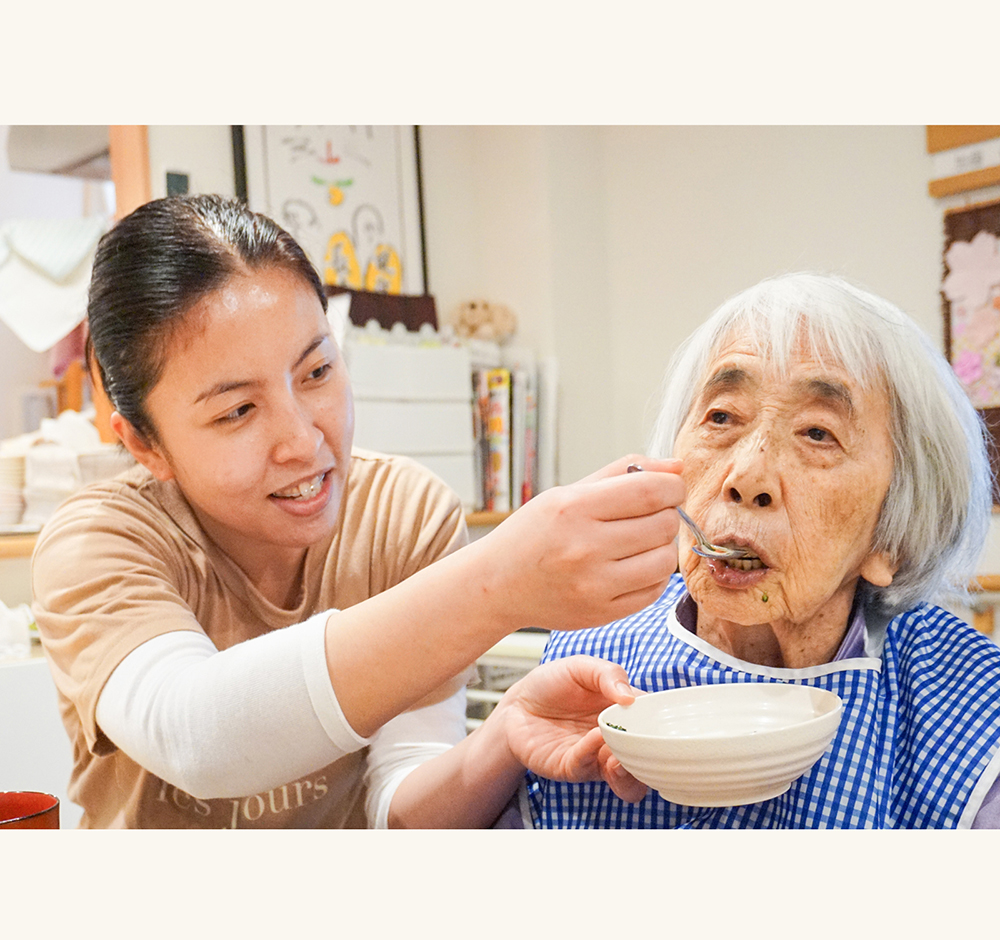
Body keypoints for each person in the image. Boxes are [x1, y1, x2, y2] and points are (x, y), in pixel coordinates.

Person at [31, 194, 685, 829]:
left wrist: (504, 736)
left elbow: (395, 811)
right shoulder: (100, 541)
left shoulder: (402, 514)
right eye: (237, 411)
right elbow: (197, 735)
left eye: (316, 372)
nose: (304, 441)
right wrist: (497, 584)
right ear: (144, 444)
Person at [526, 271, 1000, 828]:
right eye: (721, 417)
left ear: (891, 537)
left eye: (818, 433)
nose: (747, 475)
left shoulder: (968, 711)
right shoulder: (590, 652)